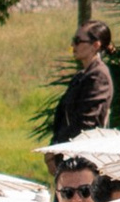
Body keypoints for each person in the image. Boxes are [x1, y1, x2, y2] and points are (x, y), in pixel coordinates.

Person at [47, 20, 115, 151]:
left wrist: (59, 149)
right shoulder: (81, 76)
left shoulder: (99, 76)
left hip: (84, 153)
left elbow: (85, 123)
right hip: (70, 150)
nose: (72, 45)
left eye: (78, 41)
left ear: (95, 45)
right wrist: (54, 147)